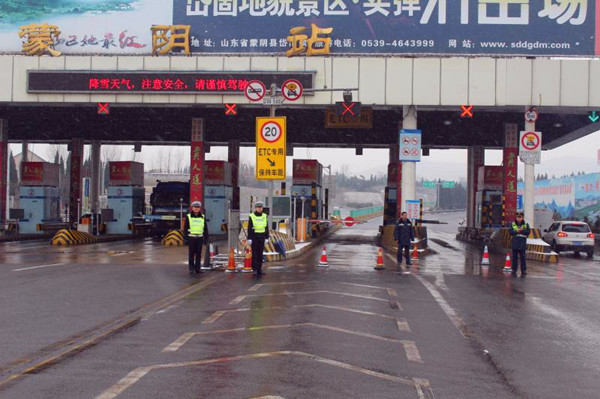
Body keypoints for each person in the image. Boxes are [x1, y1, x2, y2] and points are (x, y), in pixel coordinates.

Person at [183, 201, 209, 274]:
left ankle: (197, 269)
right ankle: (191, 268)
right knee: (191, 254)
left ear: (199, 208)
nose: (196, 209)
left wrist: (206, 239)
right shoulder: (188, 216)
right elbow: (185, 228)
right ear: (192, 208)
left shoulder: (203, 217)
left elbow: (205, 229)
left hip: (200, 238)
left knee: (198, 254)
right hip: (191, 237)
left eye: (198, 207)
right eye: (195, 207)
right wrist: (185, 239)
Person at [248, 201, 269, 276]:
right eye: (258, 207)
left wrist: (267, 237)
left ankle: (259, 269)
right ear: (256, 208)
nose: (260, 209)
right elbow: (249, 228)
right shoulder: (252, 216)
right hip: (254, 236)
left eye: (261, 207)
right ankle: (255, 269)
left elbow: (266, 227)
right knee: (255, 253)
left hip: (262, 236)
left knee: (260, 253)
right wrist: (249, 238)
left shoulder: (264, 216)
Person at [510, 211, 530, 277]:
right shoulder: (513, 224)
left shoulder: (526, 224)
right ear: (516, 217)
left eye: (520, 217)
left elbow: (528, 232)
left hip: (522, 244)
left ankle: (523, 270)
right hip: (515, 243)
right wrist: (516, 231)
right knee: (514, 258)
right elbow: (510, 232)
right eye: (518, 217)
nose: (519, 218)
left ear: (522, 217)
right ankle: (514, 269)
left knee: (523, 258)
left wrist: (522, 230)